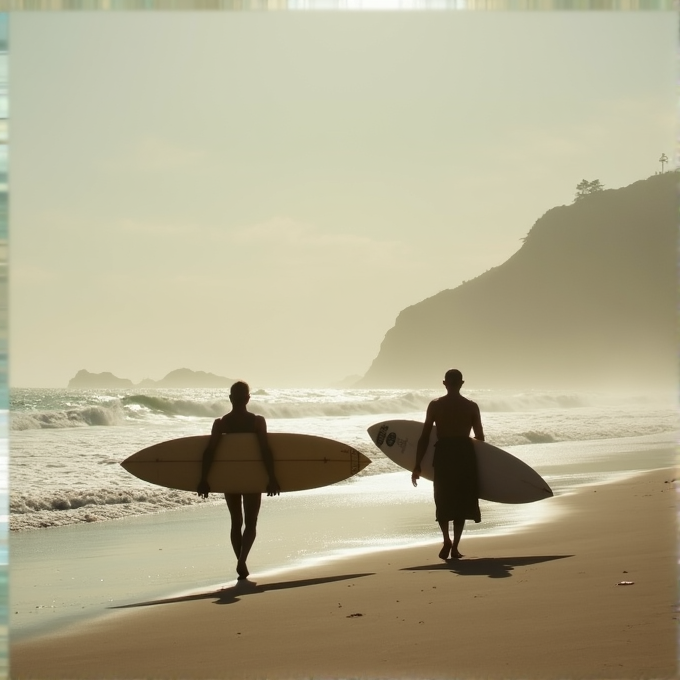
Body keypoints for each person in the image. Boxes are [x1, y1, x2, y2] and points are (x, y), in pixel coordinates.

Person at [197, 381, 280, 580]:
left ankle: (240, 561)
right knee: (251, 523)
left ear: (230, 398)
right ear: (247, 399)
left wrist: (204, 479)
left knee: (236, 522)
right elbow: (265, 451)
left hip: (230, 477)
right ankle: (242, 561)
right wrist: (272, 478)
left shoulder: (221, 423)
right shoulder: (258, 422)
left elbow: (210, 452)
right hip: (253, 477)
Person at [411, 369, 484, 560]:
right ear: (462, 383)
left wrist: (417, 464)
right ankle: (456, 546)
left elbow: (425, 437)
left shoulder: (435, 405)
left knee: (442, 499)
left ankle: (446, 540)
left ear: (444, 383)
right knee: (461, 501)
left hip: (443, 455)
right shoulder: (471, 406)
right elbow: (480, 438)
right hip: (465, 456)